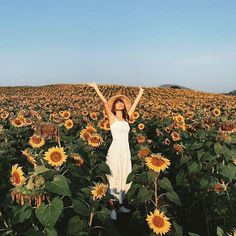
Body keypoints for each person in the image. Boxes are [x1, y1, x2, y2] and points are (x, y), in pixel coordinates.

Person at [87, 82, 144, 220]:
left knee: (124, 176)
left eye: (121, 103)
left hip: (125, 151)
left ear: (124, 106)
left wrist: (140, 92)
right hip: (115, 150)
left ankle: (121, 205)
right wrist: (96, 88)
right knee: (113, 176)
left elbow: (135, 105)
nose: (120, 104)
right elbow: (105, 102)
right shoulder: (112, 118)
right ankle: (112, 207)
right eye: (117, 103)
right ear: (114, 106)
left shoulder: (127, 118)